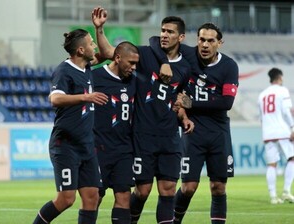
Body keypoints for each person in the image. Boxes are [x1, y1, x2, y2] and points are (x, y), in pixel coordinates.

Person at [92, 7, 194, 224]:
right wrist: (99, 29)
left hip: (169, 136)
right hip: (142, 136)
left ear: (181, 37)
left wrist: (184, 111)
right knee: (143, 191)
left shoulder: (186, 66)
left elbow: (181, 97)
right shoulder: (145, 54)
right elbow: (111, 51)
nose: (164, 35)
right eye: (162, 30)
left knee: (168, 189)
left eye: (170, 32)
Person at [149, 22, 239, 224]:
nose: (205, 45)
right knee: (188, 187)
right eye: (201, 39)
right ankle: (173, 221)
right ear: (196, 40)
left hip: (219, 133)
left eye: (210, 40)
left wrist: (191, 103)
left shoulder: (229, 66)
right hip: (193, 131)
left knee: (218, 187)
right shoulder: (189, 55)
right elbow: (154, 41)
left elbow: (227, 102)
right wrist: (164, 61)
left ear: (219, 43)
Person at [33, 28, 108, 224]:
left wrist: (99, 29)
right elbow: (55, 99)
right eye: (91, 43)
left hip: (86, 145)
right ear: (81, 50)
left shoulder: (88, 66)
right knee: (66, 199)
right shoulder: (64, 71)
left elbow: (107, 54)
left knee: (92, 196)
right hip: (65, 144)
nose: (94, 46)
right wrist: (86, 97)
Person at [92, 41, 139, 223]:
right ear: (117, 58)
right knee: (94, 197)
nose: (134, 68)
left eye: (136, 64)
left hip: (124, 149)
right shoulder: (95, 76)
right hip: (98, 147)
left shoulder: (134, 80)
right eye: (131, 63)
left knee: (124, 198)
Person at [258, 67, 294, 204]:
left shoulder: (262, 95)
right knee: (292, 158)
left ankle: (273, 196)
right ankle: (286, 191)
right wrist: (292, 126)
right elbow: (286, 111)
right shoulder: (282, 90)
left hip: (268, 133)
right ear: (279, 77)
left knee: (271, 165)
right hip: (283, 131)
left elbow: (261, 118)